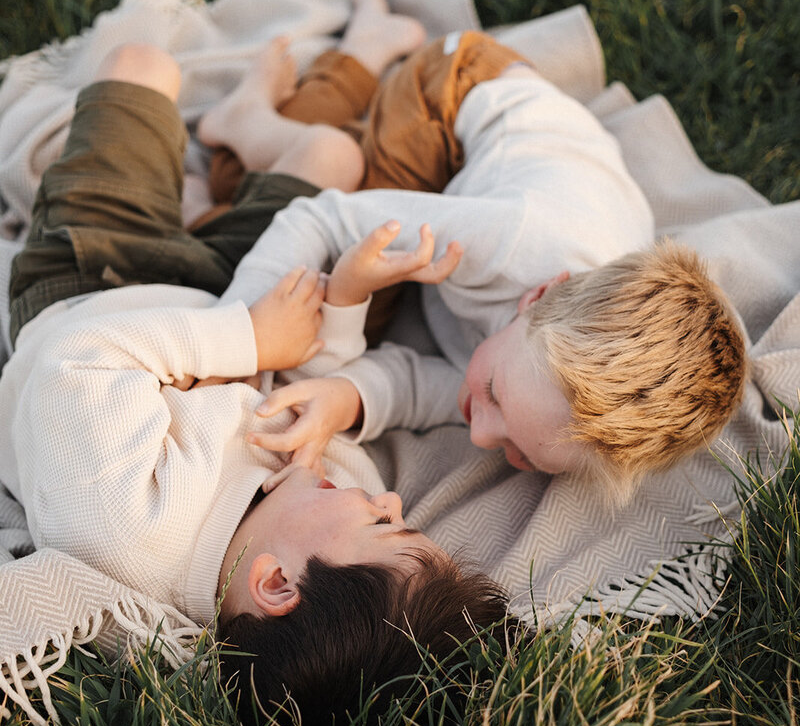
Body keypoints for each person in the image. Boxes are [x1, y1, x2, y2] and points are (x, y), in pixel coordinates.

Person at [0, 34, 509, 726]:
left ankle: (205, 172)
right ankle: (232, 139)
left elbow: (78, 360)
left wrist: (251, 339)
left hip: (98, 282)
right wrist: (346, 302)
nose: (391, 497)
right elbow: (305, 384)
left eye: (385, 524)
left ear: (275, 582)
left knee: (142, 65)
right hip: (220, 293)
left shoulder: (129, 526)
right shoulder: (299, 497)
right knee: (334, 156)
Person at [202, 26, 748, 505]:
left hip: (550, 170)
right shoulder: (514, 244)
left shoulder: (528, 384)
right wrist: (239, 331)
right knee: (292, 199)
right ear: (536, 297)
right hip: (455, 89)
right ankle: (262, 109)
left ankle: (352, 62)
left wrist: (344, 400)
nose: (482, 434)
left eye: (524, 456)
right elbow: (321, 217)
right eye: (490, 393)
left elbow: (418, 384)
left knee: (280, 245)